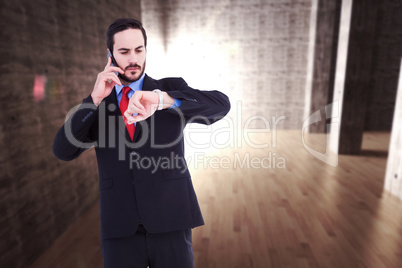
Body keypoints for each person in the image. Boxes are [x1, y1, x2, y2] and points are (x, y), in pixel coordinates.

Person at [52, 18, 230, 268]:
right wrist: (92, 100)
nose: (133, 58)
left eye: (139, 49)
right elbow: (62, 150)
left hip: (171, 220)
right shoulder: (97, 106)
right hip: (119, 229)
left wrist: (162, 100)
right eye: (124, 52)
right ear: (110, 55)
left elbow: (221, 105)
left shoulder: (169, 90)